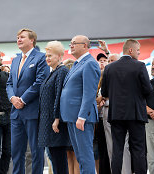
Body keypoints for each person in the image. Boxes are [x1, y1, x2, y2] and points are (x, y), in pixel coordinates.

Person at [101, 39, 152, 174]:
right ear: (131, 50)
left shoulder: (109, 68)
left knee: (117, 149)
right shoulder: (140, 66)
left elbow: (104, 92)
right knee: (138, 149)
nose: (139, 53)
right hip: (135, 114)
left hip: (116, 114)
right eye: (138, 50)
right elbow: (148, 90)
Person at [7, 28, 49, 174]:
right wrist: (13, 98)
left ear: (32, 40)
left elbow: (39, 82)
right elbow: (9, 84)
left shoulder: (41, 58)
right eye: (18, 37)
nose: (19, 39)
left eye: (22, 37)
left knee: (36, 151)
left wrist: (23, 100)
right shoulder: (15, 60)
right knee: (16, 152)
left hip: (32, 111)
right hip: (16, 112)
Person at [60, 35, 101, 174]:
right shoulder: (77, 64)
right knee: (80, 156)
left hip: (81, 117)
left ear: (84, 45)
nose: (71, 45)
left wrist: (82, 116)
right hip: (72, 116)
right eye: (70, 43)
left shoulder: (90, 63)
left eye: (74, 43)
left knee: (85, 155)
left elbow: (89, 93)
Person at [38, 41, 71, 174]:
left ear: (59, 56)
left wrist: (57, 118)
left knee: (59, 159)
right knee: (54, 157)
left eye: (50, 55)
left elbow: (59, 97)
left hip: (55, 123)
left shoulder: (62, 71)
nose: (47, 58)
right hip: (48, 122)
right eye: (46, 56)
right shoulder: (53, 72)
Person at [99, 53, 132, 174]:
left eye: (113, 60)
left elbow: (105, 94)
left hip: (122, 113)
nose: (110, 63)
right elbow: (103, 93)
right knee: (111, 148)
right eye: (109, 60)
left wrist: (105, 97)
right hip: (108, 111)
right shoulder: (105, 74)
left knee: (124, 147)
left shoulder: (125, 75)